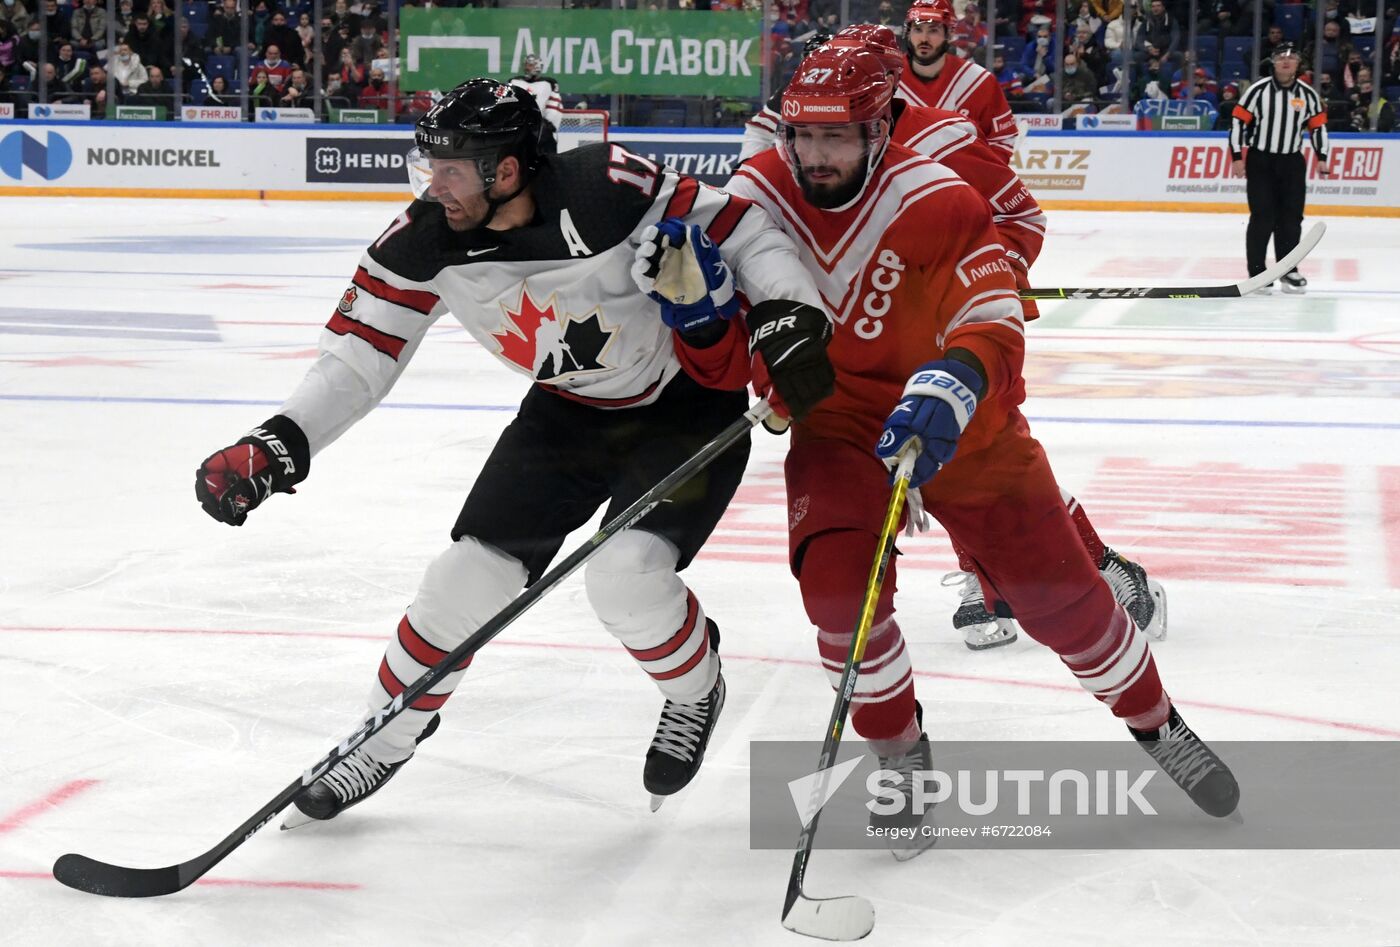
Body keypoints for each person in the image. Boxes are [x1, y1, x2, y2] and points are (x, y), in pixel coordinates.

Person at [195, 78, 826, 826]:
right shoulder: (424, 239)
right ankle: (383, 736)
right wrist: (280, 440)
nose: (435, 185)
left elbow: (745, 230)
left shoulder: (605, 188)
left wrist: (792, 315)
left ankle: (695, 692)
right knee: (462, 579)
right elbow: (359, 357)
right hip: (565, 415)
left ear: (507, 169)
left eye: (453, 168)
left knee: (625, 579)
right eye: (431, 166)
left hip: (685, 405)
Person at [710, 46, 1239, 839]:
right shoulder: (756, 196)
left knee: (1065, 605)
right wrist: (745, 353)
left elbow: (991, 312)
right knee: (836, 599)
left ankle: (1156, 722)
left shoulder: (938, 197)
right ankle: (898, 752)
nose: (815, 156)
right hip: (842, 427)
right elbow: (726, 315)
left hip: (964, 424)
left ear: (881, 127)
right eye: (802, 136)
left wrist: (955, 377)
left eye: (837, 138)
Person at [743, 25, 1164, 652]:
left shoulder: (937, 138)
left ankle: (1054, 572)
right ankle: (1024, 576)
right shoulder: (788, 132)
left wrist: (982, 279)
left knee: (971, 459)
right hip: (851, 352)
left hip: (947, 335)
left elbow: (1018, 215)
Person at [1230, 42, 1328, 294]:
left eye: (1292, 57)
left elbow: (1318, 128)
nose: (1286, 61)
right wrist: (1237, 156)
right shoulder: (1257, 91)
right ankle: (1257, 272)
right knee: (1263, 216)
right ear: (1272, 62)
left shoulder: (1308, 94)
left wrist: (1322, 156)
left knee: (1291, 218)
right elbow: (1238, 123)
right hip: (1261, 160)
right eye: (1281, 57)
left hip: (1292, 162)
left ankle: (1288, 270)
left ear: (1298, 64)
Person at [898, 0, 1019, 161]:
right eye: (918, 30)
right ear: (908, 32)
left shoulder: (979, 81)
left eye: (933, 30)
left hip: (961, 185)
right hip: (900, 182)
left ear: (949, 34)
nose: (924, 39)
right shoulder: (885, 78)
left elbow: (1002, 139)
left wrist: (979, 176)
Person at [740, 30, 832, 162]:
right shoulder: (791, 90)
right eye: (812, 64)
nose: (819, 72)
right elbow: (759, 129)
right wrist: (747, 166)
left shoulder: (859, 91)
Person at [508, 53, 563, 154]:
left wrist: (548, 125)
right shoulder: (514, 82)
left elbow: (554, 106)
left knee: (547, 160)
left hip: (541, 129)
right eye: (526, 64)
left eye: (530, 64)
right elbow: (507, 104)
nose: (527, 67)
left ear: (538, 66)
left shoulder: (549, 83)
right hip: (518, 127)